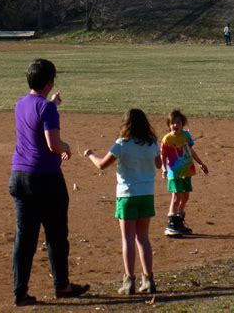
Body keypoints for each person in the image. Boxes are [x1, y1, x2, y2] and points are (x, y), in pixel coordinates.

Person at [9, 58, 90, 307]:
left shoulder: (21, 104)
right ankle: (62, 285)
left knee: (25, 237)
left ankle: (20, 291)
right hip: (45, 178)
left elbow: (36, 117)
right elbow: (53, 144)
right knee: (55, 234)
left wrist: (51, 104)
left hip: (19, 176)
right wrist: (65, 147)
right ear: (50, 81)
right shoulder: (47, 109)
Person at [84, 108, 162, 295]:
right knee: (143, 238)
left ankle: (129, 281)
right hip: (146, 194)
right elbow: (159, 164)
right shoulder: (151, 143)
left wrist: (90, 154)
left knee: (128, 238)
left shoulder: (122, 144)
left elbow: (102, 165)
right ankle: (149, 279)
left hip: (127, 195)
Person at [161, 109, 208, 237]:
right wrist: (164, 169)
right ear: (169, 125)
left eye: (178, 122)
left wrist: (200, 163)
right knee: (176, 196)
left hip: (186, 170)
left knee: (185, 196)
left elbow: (190, 151)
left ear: (183, 124)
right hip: (174, 172)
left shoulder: (186, 136)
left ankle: (179, 221)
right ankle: (171, 223)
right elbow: (163, 155)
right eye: (172, 123)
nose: (175, 125)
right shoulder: (167, 139)